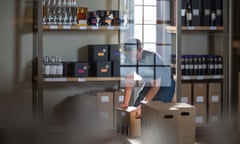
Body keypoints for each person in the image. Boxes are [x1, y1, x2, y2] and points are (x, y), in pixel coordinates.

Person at [119, 38, 175, 118]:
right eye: (130, 56)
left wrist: (143, 106)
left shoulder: (151, 59)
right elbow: (129, 81)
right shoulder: (129, 59)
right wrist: (125, 103)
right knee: (135, 110)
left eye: (135, 56)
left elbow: (155, 87)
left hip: (165, 84)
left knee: (156, 111)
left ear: (140, 50)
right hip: (150, 83)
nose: (133, 59)